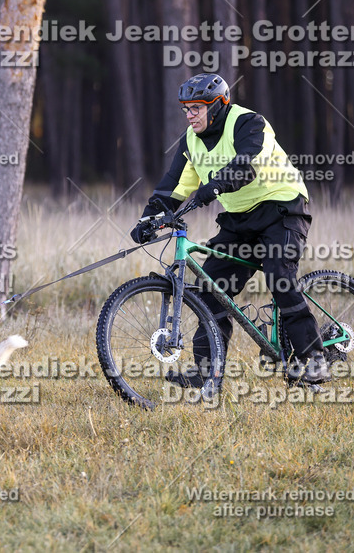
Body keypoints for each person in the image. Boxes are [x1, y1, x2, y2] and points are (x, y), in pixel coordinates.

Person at [131, 73, 331, 388]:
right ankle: (208, 372)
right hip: (240, 220)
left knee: (280, 276)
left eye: (196, 108)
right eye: (186, 108)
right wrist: (149, 219)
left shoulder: (249, 123)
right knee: (210, 291)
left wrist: (214, 186)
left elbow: (247, 163)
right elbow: (173, 186)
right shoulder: (190, 140)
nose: (189, 115)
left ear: (218, 104)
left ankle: (314, 358)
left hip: (283, 208)